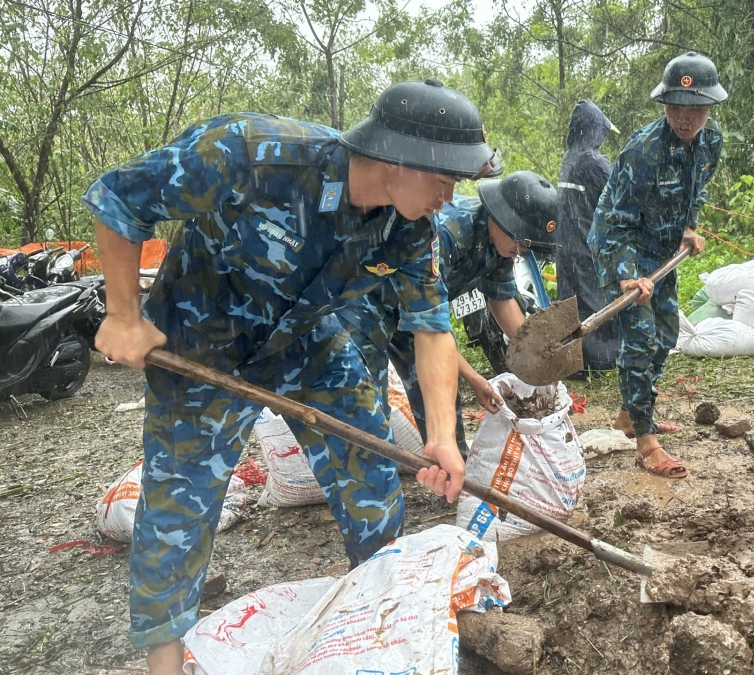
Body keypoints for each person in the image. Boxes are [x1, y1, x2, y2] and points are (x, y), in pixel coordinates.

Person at [83, 79, 497, 674]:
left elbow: (431, 328)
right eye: (444, 179)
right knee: (180, 507)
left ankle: (376, 626)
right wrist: (123, 315)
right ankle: (165, 665)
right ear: (396, 159)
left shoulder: (409, 227)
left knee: (370, 462)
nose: (449, 195)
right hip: (203, 344)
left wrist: (441, 436)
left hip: (306, 340)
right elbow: (119, 200)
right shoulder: (249, 153)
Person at [589, 51, 726, 479]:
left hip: (664, 250)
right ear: (665, 105)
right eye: (676, 109)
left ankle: (632, 412)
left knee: (667, 334)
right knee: (641, 336)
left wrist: (690, 226)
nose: (685, 119)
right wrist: (627, 274)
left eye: (695, 110)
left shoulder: (712, 143)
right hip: (621, 245)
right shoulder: (643, 151)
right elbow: (617, 221)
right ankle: (645, 440)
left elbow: (696, 190)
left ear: (708, 108)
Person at [376, 171, 559, 455]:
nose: (521, 250)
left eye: (527, 245)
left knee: (443, 397)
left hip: (420, 316)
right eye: (520, 241)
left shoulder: (501, 245)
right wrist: (476, 379)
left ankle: (454, 471)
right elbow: (431, 328)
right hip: (382, 308)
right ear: (500, 218)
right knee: (383, 401)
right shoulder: (449, 234)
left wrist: (538, 356)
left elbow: (502, 299)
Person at [557, 100, 621, 371]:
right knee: (595, 304)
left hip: (566, 248)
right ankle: (601, 359)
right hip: (587, 247)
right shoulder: (593, 161)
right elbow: (618, 200)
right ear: (594, 130)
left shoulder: (569, 158)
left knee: (574, 304)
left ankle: (578, 360)